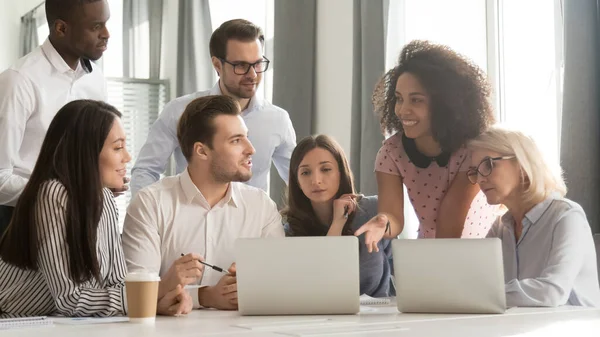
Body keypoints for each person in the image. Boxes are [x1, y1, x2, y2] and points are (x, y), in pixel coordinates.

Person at [0, 100, 191, 317]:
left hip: (58, 323)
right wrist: (154, 291)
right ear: (86, 151)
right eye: (118, 147)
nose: (127, 157)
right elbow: (70, 299)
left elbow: (117, 281)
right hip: (12, 322)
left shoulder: (105, 198)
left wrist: (154, 302)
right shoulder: (53, 194)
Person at [123, 95, 285, 312]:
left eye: (246, 137)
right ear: (202, 151)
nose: (251, 149)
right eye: (236, 140)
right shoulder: (150, 204)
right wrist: (206, 295)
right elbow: (135, 294)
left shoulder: (261, 206)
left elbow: (280, 284)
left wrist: (250, 286)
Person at [356, 40, 497, 247]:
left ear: (444, 104)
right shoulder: (391, 152)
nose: (403, 110)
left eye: (416, 100)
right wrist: (383, 223)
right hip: (432, 253)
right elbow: (393, 217)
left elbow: (450, 221)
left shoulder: (473, 150)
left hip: (480, 253)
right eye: (398, 99)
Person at [130, 19, 296, 195]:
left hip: (253, 220)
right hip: (190, 218)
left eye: (257, 63)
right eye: (241, 65)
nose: (252, 74)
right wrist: (150, 217)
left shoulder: (277, 119)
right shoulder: (179, 111)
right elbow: (146, 170)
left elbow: (299, 181)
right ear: (217, 65)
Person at [0, 0, 123, 235]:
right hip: (24, 224)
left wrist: (103, 181)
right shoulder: (18, 81)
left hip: (84, 219)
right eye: (96, 26)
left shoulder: (96, 80)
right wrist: (63, 194)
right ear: (61, 29)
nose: (106, 34)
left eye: (106, 23)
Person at [467, 126, 600, 307]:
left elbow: (552, 293)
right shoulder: (500, 227)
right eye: (475, 171)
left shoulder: (567, 216)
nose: (480, 179)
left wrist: (484, 294)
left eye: (488, 165)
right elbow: (472, 283)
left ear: (522, 164)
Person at [282, 135, 393, 297]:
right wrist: (337, 224)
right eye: (305, 172)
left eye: (326, 169)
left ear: (341, 172)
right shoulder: (291, 229)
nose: (316, 180)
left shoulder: (373, 210)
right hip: (325, 318)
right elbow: (322, 287)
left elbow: (401, 267)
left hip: (380, 316)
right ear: (297, 180)